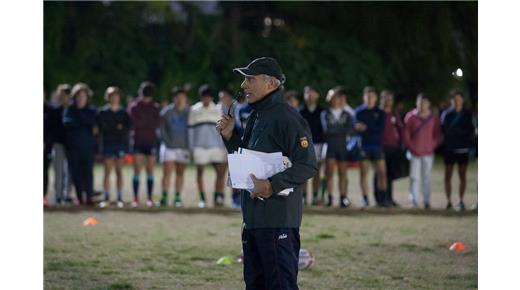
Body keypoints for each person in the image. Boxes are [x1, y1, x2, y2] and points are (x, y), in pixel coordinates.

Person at [216, 57, 317, 290]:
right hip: (253, 220)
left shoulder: (287, 118)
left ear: (271, 83)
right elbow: (249, 161)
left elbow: (308, 164)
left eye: (250, 79)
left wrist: (272, 184)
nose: (243, 85)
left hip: (277, 220)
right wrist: (231, 138)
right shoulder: (256, 115)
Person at [189, 84, 228, 208]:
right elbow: (190, 131)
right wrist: (191, 147)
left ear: (211, 98)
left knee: (220, 172)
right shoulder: (194, 110)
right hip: (199, 147)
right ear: (201, 97)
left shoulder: (217, 110)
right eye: (204, 97)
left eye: (208, 97)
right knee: (200, 172)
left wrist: (223, 146)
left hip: (216, 146)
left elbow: (221, 131)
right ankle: (202, 199)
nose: (206, 99)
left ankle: (218, 196)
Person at [403, 93, 443, 209]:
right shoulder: (410, 117)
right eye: (420, 102)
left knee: (427, 177)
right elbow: (406, 134)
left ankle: (426, 200)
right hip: (414, 153)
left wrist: (432, 146)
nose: (422, 105)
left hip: (428, 153)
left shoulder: (433, 118)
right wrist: (411, 147)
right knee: (414, 177)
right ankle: (414, 200)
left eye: (424, 103)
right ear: (417, 103)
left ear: (428, 104)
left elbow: (438, 134)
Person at [63, 83, 97, 206]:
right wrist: (84, 123)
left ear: (87, 97)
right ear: (75, 96)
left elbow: (93, 125)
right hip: (73, 148)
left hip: (87, 147)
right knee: (76, 172)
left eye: (84, 95)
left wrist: (79, 123)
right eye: (79, 95)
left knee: (88, 172)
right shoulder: (70, 110)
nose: (81, 98)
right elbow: (67, 124)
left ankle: (89, 197)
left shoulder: (92, 110)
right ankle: (79, 197)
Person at [440, 90, 475, 210]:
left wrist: (459, 134)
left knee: (462, 176)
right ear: (451, 101)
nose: (457, 101)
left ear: (462, 100)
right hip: (450, 148)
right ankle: (448, 201)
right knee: (448, 175)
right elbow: (444, 130)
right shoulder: (446, 114)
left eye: (459, 99)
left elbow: (470, 131)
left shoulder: (467, 114)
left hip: (463, 149)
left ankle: (461, 200)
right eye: (454, 99)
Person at [96, 86, 131, 208]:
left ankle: (120, 198)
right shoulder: (102, 112)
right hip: (107, 145)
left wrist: (118, 128)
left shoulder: (123, 112)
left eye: (116, 96)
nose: (114, 98)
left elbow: (127, 128)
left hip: (120, 145)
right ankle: (106, 198)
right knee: (107, 172)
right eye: (111, 96)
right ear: (108, 97)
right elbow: (101, 129)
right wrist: (116, 127)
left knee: (119, 172)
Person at [129, 81, 161, 208]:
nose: (146, 97)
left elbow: (157, 123)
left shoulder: (155, 107)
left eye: (148, 95)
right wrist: (147, 122)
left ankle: (149, 198)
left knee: (150, 171)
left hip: (151, 142)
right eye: (144, 94)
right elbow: (135, 122)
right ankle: (135, 198)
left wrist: (144, 122)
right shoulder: (134, 106)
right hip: (138, 142)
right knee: (137, 170)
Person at [320, 88, 354, 207]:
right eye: (333, 97)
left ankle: (343, 198)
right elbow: (327, 130)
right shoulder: (325, 113)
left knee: (342, 173)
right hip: (331, 146)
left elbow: (350, 129)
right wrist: (340, 130)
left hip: (342, 147)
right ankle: (329, 198)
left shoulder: (347, 114)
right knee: (329, 173)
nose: (335, 99)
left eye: (337, 97)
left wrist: (336, 130)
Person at [355, 86, 387, 208]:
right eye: (367, 96)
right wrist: (363, 129)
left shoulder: (380, 113)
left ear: (376, 98)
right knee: (364, 174)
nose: (369, 99)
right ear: (364, 97)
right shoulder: (358, 112)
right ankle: (365, 199)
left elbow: (380, 130)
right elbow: (357, 129)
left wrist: (367, 127)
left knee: (381, 174)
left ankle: (382, 200)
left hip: (377, 146)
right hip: (364, 147)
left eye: (371, 96)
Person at [159, 88, 191, 207]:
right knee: (167, 173)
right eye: (178, 97)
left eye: (182, 98)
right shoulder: (166, 112)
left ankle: (177, 197)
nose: (180, 100)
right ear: (174, 99)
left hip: (183, 147)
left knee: (180, 173)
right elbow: (161, 130)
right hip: (169, 147)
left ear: (186, 99)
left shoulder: (189, 112)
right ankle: (164, 196)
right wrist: (167, 142)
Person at [374, 90, 404, 207]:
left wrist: (401, 143)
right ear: (382, 99)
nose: (388, 101)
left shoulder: (393, 114)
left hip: (393, 147)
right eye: (386, 98)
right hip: (380, 146)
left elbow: (400, 129)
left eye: (390, 99)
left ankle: (389, 197)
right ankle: (379, 198)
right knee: (380, 174)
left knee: (390, 174)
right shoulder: (377, 113)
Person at [299, 85, 326, 206]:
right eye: (307, 93)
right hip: (304, 145)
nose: (309, 95)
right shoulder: (301, 111)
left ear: (317, 95)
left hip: (319, 144)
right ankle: (303, 197)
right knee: (303, 172)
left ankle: (315, 196)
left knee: (317, 172)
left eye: (312, 93)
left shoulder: (322, 111)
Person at [48, 84, 73, 205]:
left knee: (70, 172)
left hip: (72, 145)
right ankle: (58, 195)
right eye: (62, 94)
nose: (64, 97)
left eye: (66, 94)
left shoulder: (74, 110)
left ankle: (67, 195)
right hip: (58, 144)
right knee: (58, 171)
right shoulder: (55, 110)